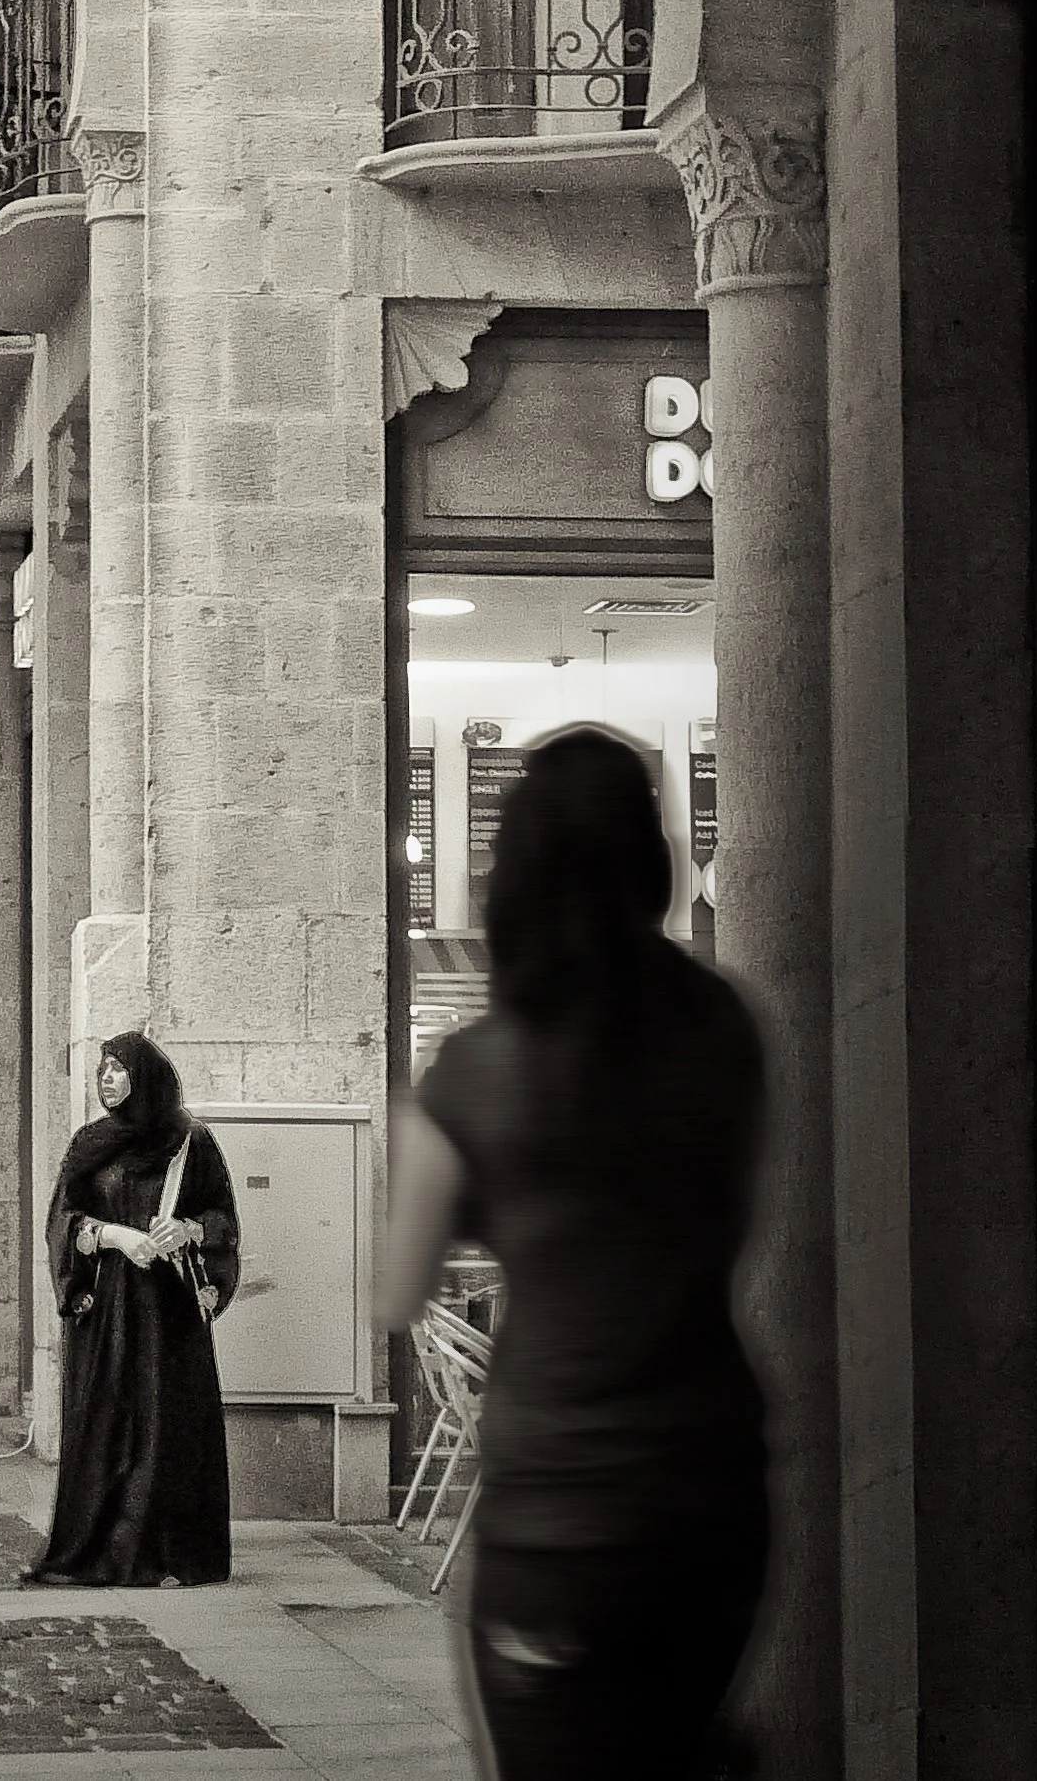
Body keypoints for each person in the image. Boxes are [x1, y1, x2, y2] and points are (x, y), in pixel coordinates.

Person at [376, 727, 770, 1781]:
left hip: (565, 1508)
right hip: (714, 1489)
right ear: (654, 857)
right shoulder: (724, 1026)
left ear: (514, 875)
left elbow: (396, 1286)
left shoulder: (478, 1068)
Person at [27, 1030, 239, 1587]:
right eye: (103, 1068)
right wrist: (112, 1236)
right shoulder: (88, 1144)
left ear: (145, 1078)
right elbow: (60, 1222)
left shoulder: (191, 1142)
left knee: (168, 1426)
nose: (107, 1078)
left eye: (118, 1069)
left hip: (168, 1315)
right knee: (107, 1422)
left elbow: (223, 1221)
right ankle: (102, 1548)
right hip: (107, 1313)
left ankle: (170, 1553)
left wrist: (188, 1229)